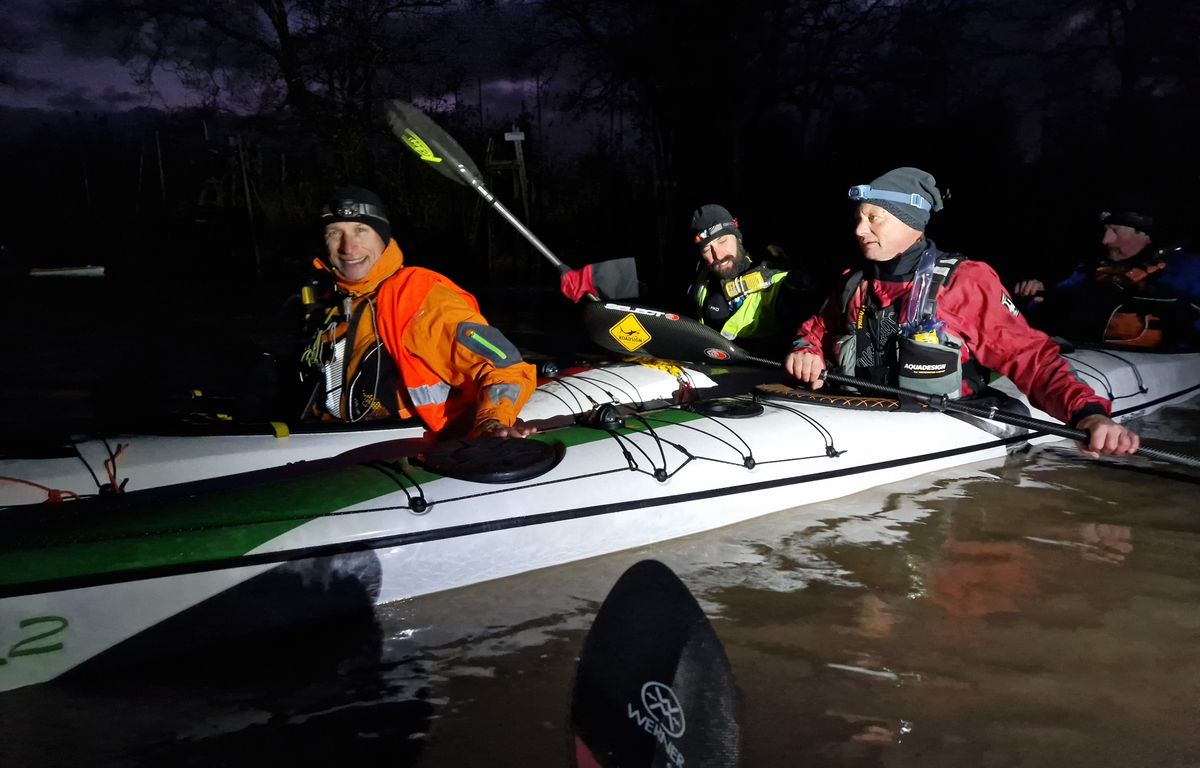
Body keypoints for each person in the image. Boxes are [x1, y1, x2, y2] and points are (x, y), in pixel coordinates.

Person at [784, 167, 1139, 458]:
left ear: (911, 221)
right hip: (862, 414)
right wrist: (806, 352)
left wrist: (1088, 415)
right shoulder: (853, 282)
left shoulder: (965, 281)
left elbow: (1030, 358)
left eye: (875, 218)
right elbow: (817, 329)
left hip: (947, 422)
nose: (860, 230)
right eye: (860, 218)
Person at [304, 186, 538, 438]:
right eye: (334, 233)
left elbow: (504, 367)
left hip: (405, 446)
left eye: (361, 231)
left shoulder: (416, 297)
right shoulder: (333, 300)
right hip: (329, 436)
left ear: (382, 237)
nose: (348, 248)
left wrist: (492, 422)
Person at [1013, 208, 1200, 348]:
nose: (1106, 240)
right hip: (1093, 357)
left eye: (1116, 232)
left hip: (1161, 369)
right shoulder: (1096, 269)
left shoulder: (1187, 269)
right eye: (1106, 230)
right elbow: (1060, 297)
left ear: (1145, 235)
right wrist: (1033, 299)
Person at [688, 204, 813, 354]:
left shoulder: (778, 282)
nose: (718, 255)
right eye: (707, 248)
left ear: (738, 238)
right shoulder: (703, 278)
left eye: (722, 241)